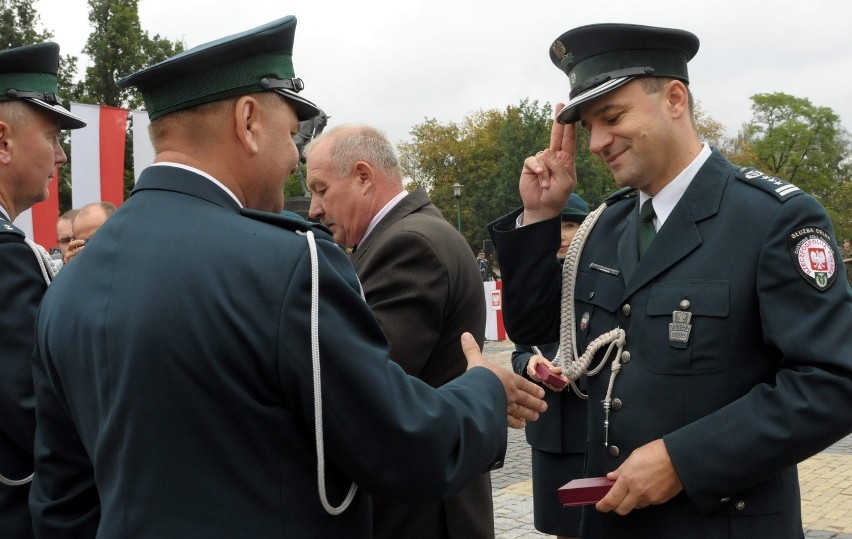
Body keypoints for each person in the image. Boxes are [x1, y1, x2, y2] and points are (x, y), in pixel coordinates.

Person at [29, 16, 546, 538]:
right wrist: (485, 390)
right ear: (248, 120)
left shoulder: (68, 287)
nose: (292, 161)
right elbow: (399, 443)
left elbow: (61, 506)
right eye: (293, 135)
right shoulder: (288, 263)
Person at [488, 23, 852, 539]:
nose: (595, 143)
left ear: (675, 98)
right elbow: (534, 328)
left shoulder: (773, 219)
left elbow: (834, 383)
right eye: (588, 126)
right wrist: (539, 217)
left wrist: (684, 460)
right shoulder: (603, 225)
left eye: (612, 117)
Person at [304, 124, 495, 539]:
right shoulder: (411, 233)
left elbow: (368, 393)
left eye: (320, 189)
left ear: (363, 176)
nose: (313, 210)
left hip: (422, 516)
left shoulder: (408, 245)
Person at [0, 41, 86, 539]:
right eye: (52, 136)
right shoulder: (12, 259)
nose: (59, 154)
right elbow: (44, 419)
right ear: (3, 141)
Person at [510, 193, 589, 539]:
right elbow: (519, 351)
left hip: (589, 430)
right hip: (547, 432)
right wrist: (530, 363)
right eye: (555, 226)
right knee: (560, 526)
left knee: (593, 522)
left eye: (569, 225)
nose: (561, 234)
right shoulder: (534, 286)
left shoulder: (598, 280)